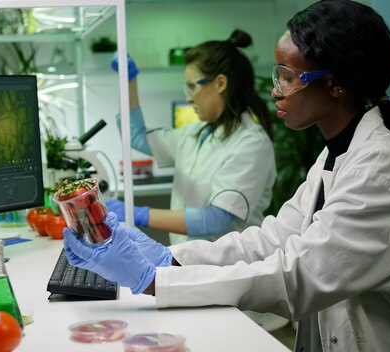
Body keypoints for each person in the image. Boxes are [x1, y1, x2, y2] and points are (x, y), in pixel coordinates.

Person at [63, 1, 390, 350]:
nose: (276, 89)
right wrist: (169, 258)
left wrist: (156, 280)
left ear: (336, 84)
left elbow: (298, 275)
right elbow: (273, 239)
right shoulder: (337, 154)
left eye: (288, 77)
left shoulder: (381, 167)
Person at [107, 29, 276, 246]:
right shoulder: (195, 134)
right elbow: (136, 136)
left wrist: (137, 213)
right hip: (189, 262)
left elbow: (217, 220)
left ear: (220, 83)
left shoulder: (251, 143)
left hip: (228, 269)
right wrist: (129, 81)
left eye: (192, 86)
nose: (188, 98)